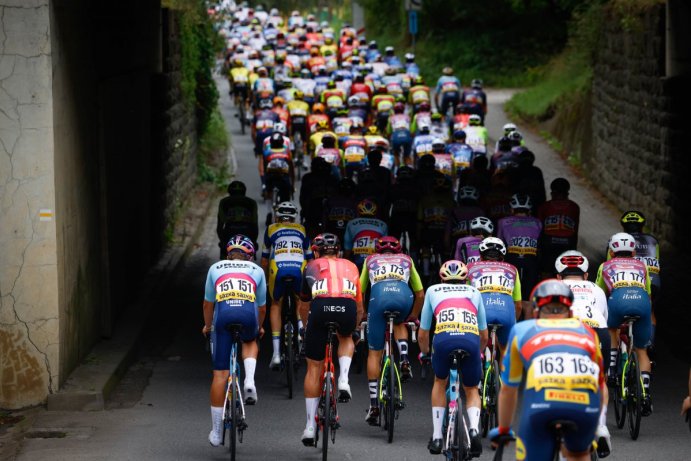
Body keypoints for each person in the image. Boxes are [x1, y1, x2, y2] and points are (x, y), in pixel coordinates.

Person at [490, 279, 605, 461]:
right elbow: (601, 387)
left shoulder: (521, 330)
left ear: (536, 311)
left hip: (541, 408)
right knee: (580, 453)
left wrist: (503, 429)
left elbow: (508, 388)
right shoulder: (588, 332)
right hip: (585, 408)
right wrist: (595, 426)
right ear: (570, 312)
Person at [298, 233, 365, 445]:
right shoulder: (352, 266)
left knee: (314, 368)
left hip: (320, 308)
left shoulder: (310, 266)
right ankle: (344, 379)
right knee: (346, 337)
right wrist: (354, 328)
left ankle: (310, 426)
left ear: (316, 251)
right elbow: (360, 306)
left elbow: (304, 305)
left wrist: (306, 329)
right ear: (338, 251)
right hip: (346, 307)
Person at [418, 260, 487, 456]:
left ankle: (438, 437)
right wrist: (479, 352)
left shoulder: (432, 290)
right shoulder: (474, 293)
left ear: (441, 278)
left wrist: (424, 353)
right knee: (472, 388)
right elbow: (484, 335)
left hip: (443, 340)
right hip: (470, 340)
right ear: (466, 279)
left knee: (440, 382)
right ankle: (474, 429)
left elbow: (423, 333)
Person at [203, 235, 267, 446]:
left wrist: (208, 326)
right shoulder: (257, 270)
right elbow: (262, 306)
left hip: (223, 317)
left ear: (228, 253)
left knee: (220, 375)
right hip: (248, 315)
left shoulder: (216, 268)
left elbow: (207, 304)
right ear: (250, 256)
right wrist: (260, 326)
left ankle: (216, 431)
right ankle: (249, 380)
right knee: (250, 341)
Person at [360, 236, 425, 424]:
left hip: (378, 300)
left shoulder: (370, 260)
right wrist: (413, 315)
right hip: (403, 297)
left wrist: (363, 314)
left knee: (374, 354)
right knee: (400, 321)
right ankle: (404, 358)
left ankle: (373, 405)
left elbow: (360, 291)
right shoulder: (407, 260)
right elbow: (420, 294)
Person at [554, 250, 612, 458]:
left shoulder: (555, 289)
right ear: (586, 275)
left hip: (568, 329)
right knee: (600, 380)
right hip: (598, 330)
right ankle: (601, 425)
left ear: (558, 277)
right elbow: (604, 318)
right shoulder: (596, 289)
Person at [595, 232, 654, 416]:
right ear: (634, 251)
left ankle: (612, 370)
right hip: (642, 302)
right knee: (641, 350)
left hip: (618, 301)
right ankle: (645, 394)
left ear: (611, 252)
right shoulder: (642, 265)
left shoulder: (605, 265)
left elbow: (599, 294)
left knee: (611, 328)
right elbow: (649, 294)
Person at [260, 202, 313, 370]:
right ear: (294, 216)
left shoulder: (271, 229)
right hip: (298, 268)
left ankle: (276, 354)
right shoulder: (302, 230)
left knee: (276, 304)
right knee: (300, 301)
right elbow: (311, 258)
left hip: (279, 269)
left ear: (278, 216)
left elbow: (264, 259)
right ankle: (300, 331)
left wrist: (264, 281)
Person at [466, 237, 522, 356]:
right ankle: (502, 374)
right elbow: (518, 305)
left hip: (481, 314)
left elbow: (466, 298)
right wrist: (513, 321)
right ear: (502, 256)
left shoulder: (470, 268)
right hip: (506, 314)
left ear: (481, 256)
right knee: (505, 351)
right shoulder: (513, 270)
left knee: (474, 347)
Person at [619, 210, 661, 351]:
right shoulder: (653, 241)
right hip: (653, 280)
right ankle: (650, 344)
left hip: (627, 281)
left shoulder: (617, 241)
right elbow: (657, 262)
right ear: (642, 225)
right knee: (650, 312)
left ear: (623, 226)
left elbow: (609, 265)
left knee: (618, 309)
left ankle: (619, 347)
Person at [497, 193, 543, 318]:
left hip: (511, 261)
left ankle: (511, 328)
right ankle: (527, 331)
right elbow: (540, 245)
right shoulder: (537, 222)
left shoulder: (503, 222)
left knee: (512, 297)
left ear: (512, 208)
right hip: (531, 261)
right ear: (529, 209)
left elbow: (499, 243)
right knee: (528, 300)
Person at [537, 177, 580, 279]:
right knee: (565, 272)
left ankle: (545, 289)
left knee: (546, 271)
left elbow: (539, 229)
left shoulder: (544, 206)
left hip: (548, 242)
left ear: (552, 192)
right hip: (568, 243)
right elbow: (575, 230)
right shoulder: (574, 207)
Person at [216, 181, 258, 259]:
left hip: (229, 230)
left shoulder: (224, 202)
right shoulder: (251, 202)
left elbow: (220, 226)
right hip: (247, 231)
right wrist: (254, 242)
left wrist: (222, 242)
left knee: (224, 255)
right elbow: (254, 224)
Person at [343, 198, 388, 271]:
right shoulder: (383, 224)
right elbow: (385, 246)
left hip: (357, 259)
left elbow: (347, 247)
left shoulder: (351, 223)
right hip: (376, 261)